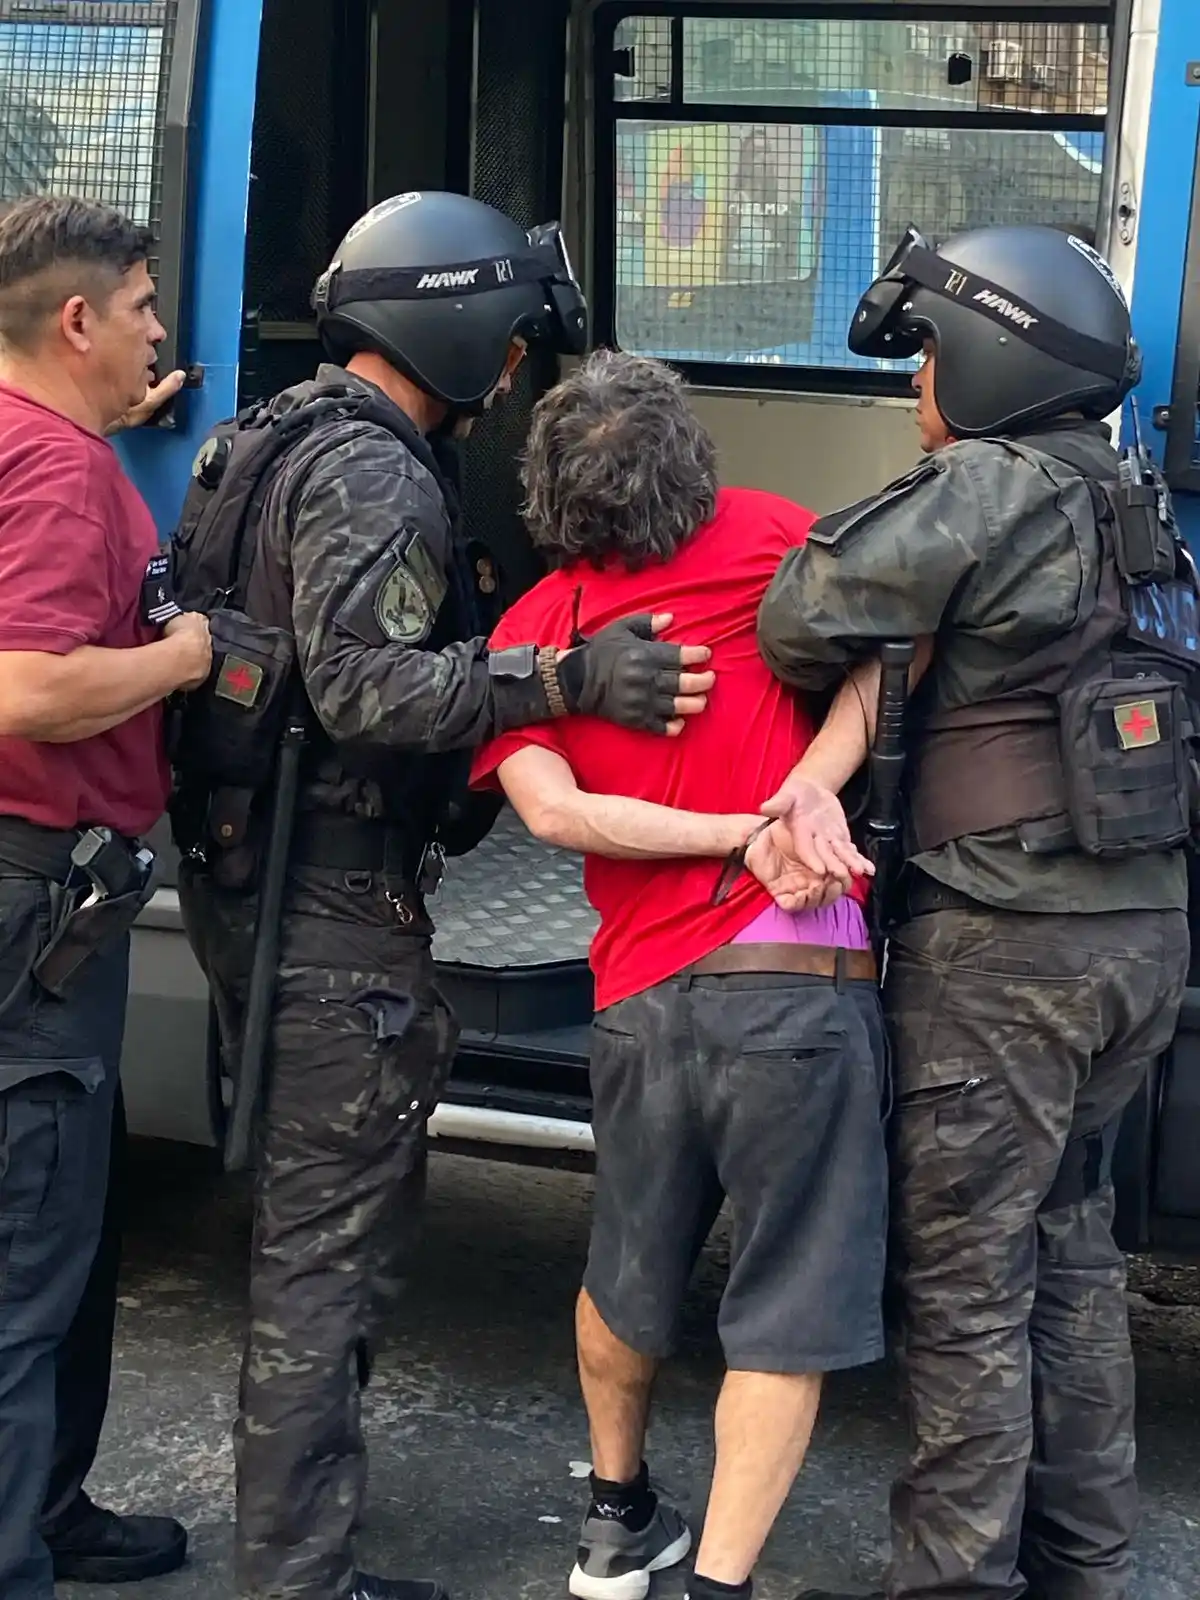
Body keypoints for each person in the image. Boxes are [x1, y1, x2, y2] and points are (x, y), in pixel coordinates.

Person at [171, 192, 717, 1600]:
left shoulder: (265, 434)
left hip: (273, 887)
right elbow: (362, 685)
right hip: (335, 915)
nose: (517, 369)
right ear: (458, 323)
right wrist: (560, 679)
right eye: (512, 339)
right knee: (323, 1271)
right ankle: (297, 1576)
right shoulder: (374, 471)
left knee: (315, 1257)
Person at [753, 225, 1193, 1600]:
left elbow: (799, 613)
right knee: (1070, 1251)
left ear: (994, 362)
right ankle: (1084, 1566)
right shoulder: (1136, 501)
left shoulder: (991, 488)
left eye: (933, 354)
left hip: (1004, 942)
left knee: (964, 1289)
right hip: (1138, 939)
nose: (917, 383)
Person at [469, 349, 888, 1600]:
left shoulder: (533, 633)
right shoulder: (783, 540)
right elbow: (877, 661)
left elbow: (552, 816)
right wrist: (798, 794)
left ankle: (614, 1521)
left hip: (637, 1000)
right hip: (798, 983)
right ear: (689, 459)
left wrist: (743, 819)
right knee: (785, 1308)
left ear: (548, 494)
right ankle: (717, 1582)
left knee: (625, 1267)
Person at [0, 193, 211, 1600]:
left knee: (68, 1226)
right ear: (77, 321)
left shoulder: (41, 447)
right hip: (34, 909)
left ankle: (54, 1509)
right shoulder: (60, 476)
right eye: (142, 310)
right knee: (29, 1251)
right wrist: (179, 657)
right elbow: (26, 685)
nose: (159, 335)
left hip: (31, 903)